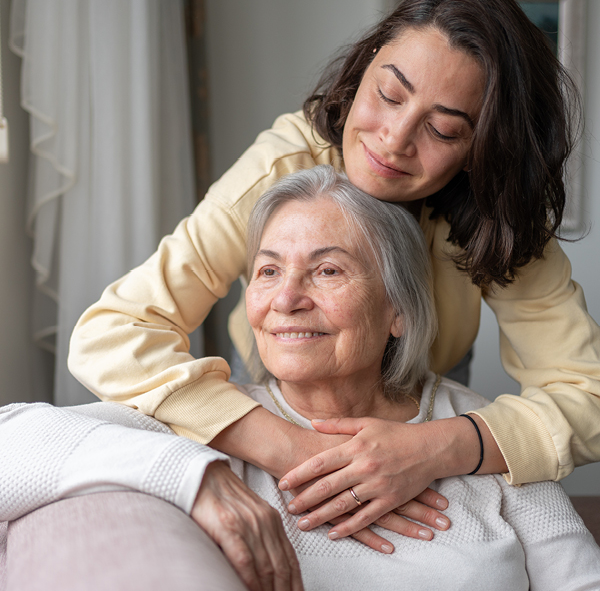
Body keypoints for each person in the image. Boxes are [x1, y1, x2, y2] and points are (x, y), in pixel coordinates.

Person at [68, 0, 600, 546]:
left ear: (483, 149)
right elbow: (111, 334)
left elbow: (588, 395)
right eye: (388, 94)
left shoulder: (500, 213)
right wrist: (292, 448)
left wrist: (431, 447)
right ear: (362, 69)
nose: (393, 141)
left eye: (442, 130)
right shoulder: (281, 169)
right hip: (274, 407)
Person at [4, 167, 600, 590]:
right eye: (267, 270)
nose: (285, 298)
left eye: (328, 269)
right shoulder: (208, 421)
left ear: (399, 308)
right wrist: (197, 478)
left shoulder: (481, 435)